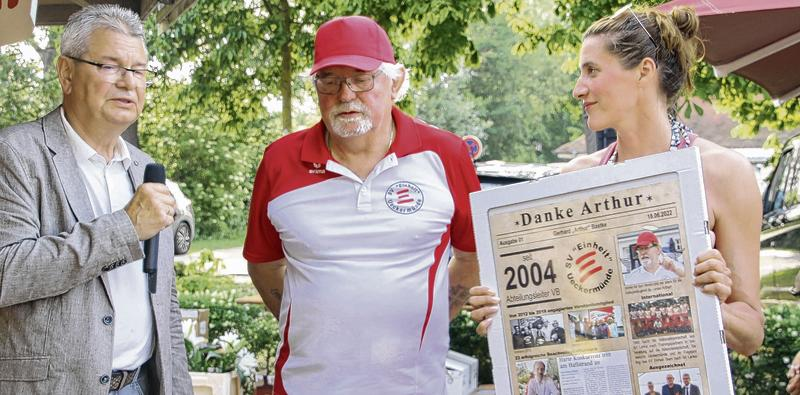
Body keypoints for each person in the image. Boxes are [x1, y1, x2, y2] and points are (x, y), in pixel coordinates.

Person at [469, 4, 764, 356]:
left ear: (644, 70)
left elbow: (751, 335)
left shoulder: (725, 173)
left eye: (592, 71)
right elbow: (558, 306)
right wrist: (504, 310)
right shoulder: (576, 176)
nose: (579, 89)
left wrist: (704, 300)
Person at [243, 15, 480, 394]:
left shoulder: (446, 154)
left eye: (361, 78)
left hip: (414, 386)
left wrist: (434, 315)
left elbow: (471, 258)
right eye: (329, 80)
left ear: (395, 82)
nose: (345, 94)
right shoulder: (279, 160)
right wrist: (312, 322)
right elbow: (263, 264)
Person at [0, 5, 192, 394]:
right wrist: (125, 227)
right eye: (109, 66)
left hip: (141, 384)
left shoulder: (146, 169)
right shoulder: (15, 153)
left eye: (138, 70)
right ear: (66, 73)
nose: (128, 82)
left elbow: (165, 302)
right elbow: (6, 272)